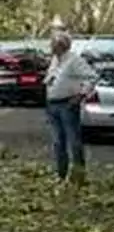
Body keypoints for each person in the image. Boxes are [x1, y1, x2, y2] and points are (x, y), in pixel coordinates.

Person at [43, 31, 98, 181]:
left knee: (73, 140)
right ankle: (61, 173)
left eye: (54, 44)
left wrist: (81, 95)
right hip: (53, 104)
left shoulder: (74, 60)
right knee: (57, 141)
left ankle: (79, 174)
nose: (51, 47)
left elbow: (92, 77)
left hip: (67, 104)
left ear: (62, 46)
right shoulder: (55, 60)